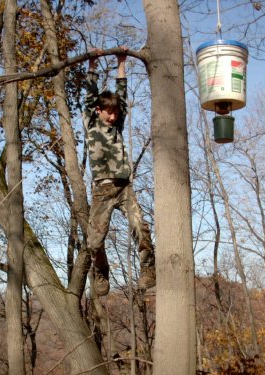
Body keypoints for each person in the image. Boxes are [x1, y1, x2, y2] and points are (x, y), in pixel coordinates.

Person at [83, 49, 156, 296]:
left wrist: (122, 62)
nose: (113, 116)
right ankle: (101, 273)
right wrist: (92, 63)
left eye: (116, 113)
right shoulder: (91, 122)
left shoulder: (118, 125)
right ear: (99, 111)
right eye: (109, 112)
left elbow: (122, 95)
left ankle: (147, 269)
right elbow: (90, 93)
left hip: (123, 187)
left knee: (141, 228)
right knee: (94, 242)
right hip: (102, 190)